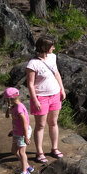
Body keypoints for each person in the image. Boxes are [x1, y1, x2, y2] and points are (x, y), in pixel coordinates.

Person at [26, 36, 66, 164]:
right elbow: (30, 84)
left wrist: (62, 89)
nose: (54, 48)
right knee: (40, 125)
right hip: (40, 97)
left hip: (55, 94)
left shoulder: (53, 57)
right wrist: (35, 100)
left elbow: (56, 73)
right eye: (52, 46)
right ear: (45, 47)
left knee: (53, 123)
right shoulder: (33, 64)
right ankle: (39, 152)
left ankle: (54, 148)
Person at [4, 87, 34, 174]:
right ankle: (27, 166)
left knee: (21, 152)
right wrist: (13, 131)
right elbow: (8, 117)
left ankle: (25, 172)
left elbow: (25, 122)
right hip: (17, 132)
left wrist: (26, 136)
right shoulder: (13, 107)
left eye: (6, 99)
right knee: (13, 150)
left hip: (23, 133)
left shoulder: (19, 108)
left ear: (10, 99)